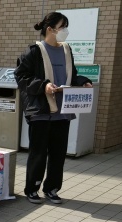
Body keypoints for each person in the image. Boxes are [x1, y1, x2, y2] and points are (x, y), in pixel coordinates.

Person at [14, 12, 92, 204]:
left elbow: (71, 76)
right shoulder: (34, 51)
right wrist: (44, 86)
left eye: (65, 26)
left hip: (62, 112)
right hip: (40, 111)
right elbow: (21, 77)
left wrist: (84, 82)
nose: (65, 31)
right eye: (62, 27)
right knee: (38, 153)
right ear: (50, 29)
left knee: (58, 154)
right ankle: (32, 188)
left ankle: (52, 189)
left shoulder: (66, 50)